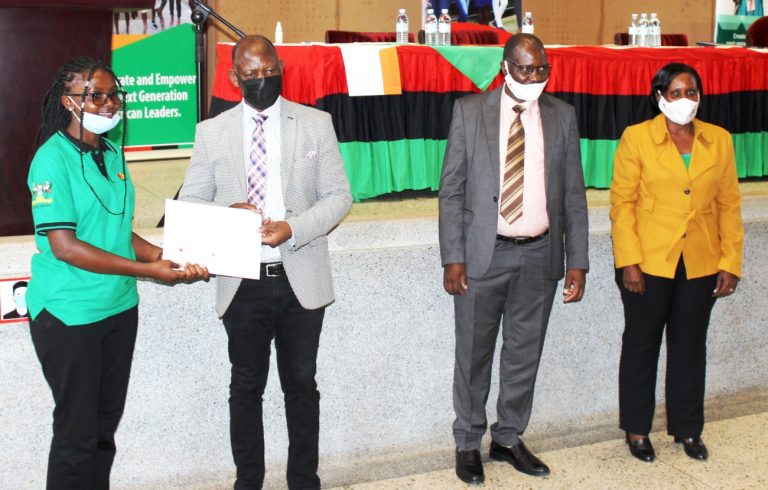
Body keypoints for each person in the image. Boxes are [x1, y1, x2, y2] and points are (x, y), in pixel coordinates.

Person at [27, 56, 208, 489]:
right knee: (76, 436)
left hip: (119, 308)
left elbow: (116, 233)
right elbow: (66, 246)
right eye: (96, 95)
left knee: (104, 432)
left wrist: (168, 257)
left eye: (114, 94)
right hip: (70, 314)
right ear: (69, 101)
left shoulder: (112, 152)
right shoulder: (50, 160)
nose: (109, 104)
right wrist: (149, 272)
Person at [179, 35, 352, 489]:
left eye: (269, 71)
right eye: (251, 74)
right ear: (235, 76)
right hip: (242, 280)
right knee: (245, 388)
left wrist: (292, 227)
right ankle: (248, 482)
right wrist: (227, 212)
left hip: (301, 276)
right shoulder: (210, 132)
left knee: (301, 385)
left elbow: (339, 197)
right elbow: (192, 201)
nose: (262, 80)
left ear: (280, 68)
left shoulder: (315, 123)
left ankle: (303, 480)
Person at [439, 33, 589, 484]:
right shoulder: (470, 112)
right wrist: (453, 256)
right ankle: (468, 442)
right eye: (525, 69)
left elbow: (574, 195)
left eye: (542, 69)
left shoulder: (562, 116)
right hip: (483, 254)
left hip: (539, 255)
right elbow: (452, 190)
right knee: (474, 354)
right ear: (506, 67)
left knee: (524, 354)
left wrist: (577, 260)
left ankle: (507, 438)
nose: (534, 77)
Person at [610, 63, 743, 463]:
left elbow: (729, 204)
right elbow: (622, 204)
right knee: (641, 343)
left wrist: (731, 260)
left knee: (689, 347)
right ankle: (636, 429)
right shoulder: (636, 138)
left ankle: (688, 429)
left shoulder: (718, 140)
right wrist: (629, 261)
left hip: (700, 261)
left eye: (691, 93)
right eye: (676, 93)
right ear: (659, 97)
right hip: (648, 261)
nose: (684, 100)